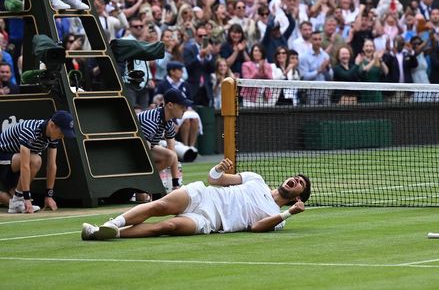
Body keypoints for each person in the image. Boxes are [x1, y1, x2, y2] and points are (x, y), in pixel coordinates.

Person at [81, 158, 311, 239]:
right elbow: (215, 180)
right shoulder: (256, 179)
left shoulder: (279, 218)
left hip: (211, 221)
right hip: (205, 195)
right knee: (160, 205)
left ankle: (106, 233)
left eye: (300, 183)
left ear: (297, 197)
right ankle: (113, 223)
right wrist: (219, 168)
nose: (294, 179)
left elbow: (256, 228)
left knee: (168, 226)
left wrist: (288, 213)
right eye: (295, 177)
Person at [0, 110, 75, 213]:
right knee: (35, 160)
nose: (63, 136)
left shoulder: (53, 136)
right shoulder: (30, 130)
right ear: (52, 125)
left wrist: (49, 195)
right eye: (62, 132)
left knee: (14, 203)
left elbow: (52, 165)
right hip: (3, 157)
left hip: (13, 163)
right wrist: (26, 197)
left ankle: (17, 200)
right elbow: (25, 165)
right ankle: (19, 199)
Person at [137, 88, 193, 195]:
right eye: (182, 106)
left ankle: (144, 183)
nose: (185, 109)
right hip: (132, 152)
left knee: (170, 156)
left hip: (142, 149)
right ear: (170, 105)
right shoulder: (151, 121)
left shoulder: (168, 121)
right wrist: (144, 189)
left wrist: (176, 185)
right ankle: (142, 183)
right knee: (143, 196)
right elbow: (143, 155)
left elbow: (173, 153)